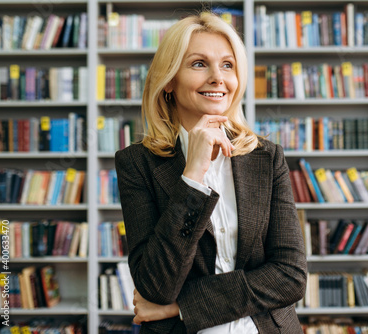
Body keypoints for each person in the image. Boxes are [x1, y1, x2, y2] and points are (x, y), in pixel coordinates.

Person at [115, 12, 307, 334]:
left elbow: (290, 276)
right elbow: (155, 286)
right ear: (169, 82)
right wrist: (192, 177)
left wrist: (181, 306)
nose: (218, 77)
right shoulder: (138, 164)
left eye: (228, 65)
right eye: (199, 64)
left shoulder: (266, 157)